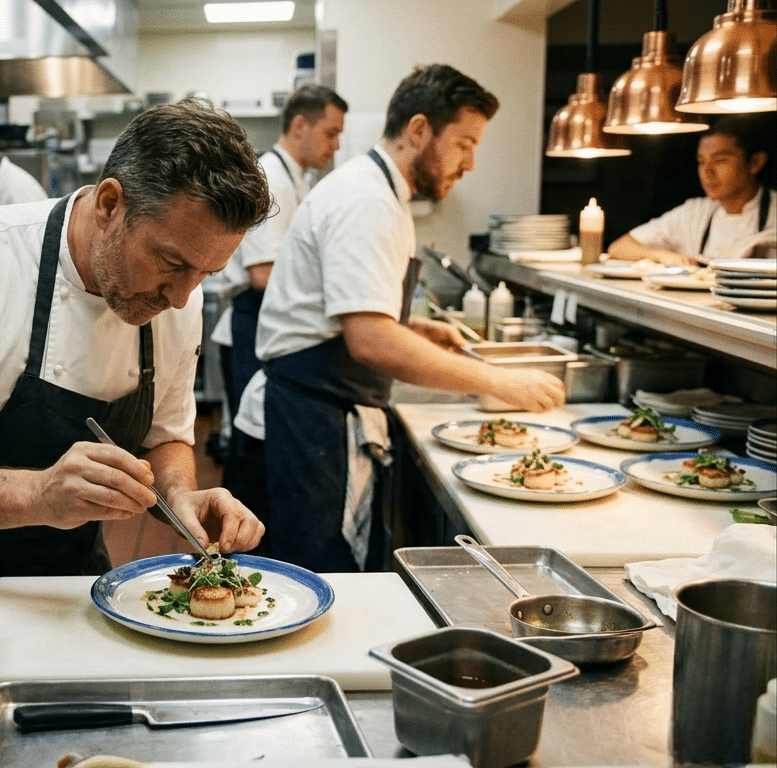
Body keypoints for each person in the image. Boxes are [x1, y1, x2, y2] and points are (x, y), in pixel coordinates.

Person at [0, 98, 272, 577]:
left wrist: (180, 495)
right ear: (110, 205)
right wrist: (38, 496)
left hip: (65, 584)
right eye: (171, 264)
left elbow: (165, 437)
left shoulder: (178, 297)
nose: (180, 297)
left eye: (205, 273)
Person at [235, 64, 565, 574]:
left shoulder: (379, 192)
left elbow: (349, 315)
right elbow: (369, 340)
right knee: (322, 585)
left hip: (319, 416)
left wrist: (412, 328)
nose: (471, 163)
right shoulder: (367, 200)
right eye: (464, 143)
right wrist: (499, 382)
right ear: (418, 130)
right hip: (311, 427)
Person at [212, 84, 348, 546]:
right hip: (255, 320)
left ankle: (245, 536)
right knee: (252, 450)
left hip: (267, 321)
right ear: (298, 125)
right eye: (330, 133)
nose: (336, 146)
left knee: (260, 443)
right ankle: (232, 546)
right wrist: (335, 300)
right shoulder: (270, 175)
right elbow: (262, 273)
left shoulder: (298, 179)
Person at [608, 116, 774, 266]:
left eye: (720, 160)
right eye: (702, 162)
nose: (708, 172)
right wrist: (662, 256)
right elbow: (619, 248)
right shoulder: (694, 213)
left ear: (755, 163)